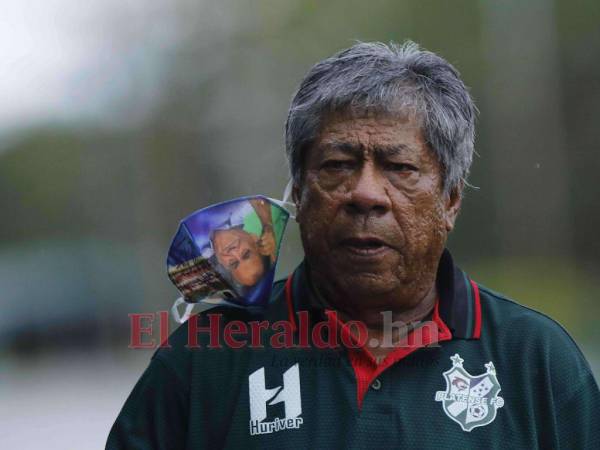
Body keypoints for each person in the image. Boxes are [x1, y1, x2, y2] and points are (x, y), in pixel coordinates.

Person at [107, 41, 599, 449]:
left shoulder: (535, 359)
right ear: (298, 192)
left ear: (450, 201)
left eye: (399, 168)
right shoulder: (206, 360)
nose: (366, 193)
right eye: (338, 165)